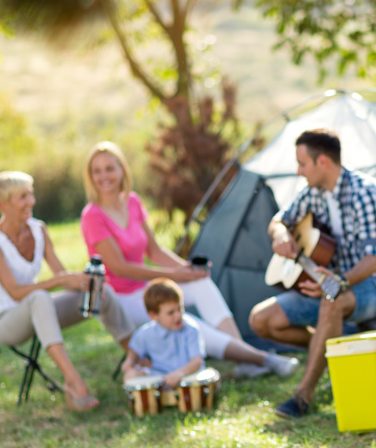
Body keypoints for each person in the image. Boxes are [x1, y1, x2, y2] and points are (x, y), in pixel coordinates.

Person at [80, 141, 297, 379]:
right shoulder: (92, 216)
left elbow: (154, 250)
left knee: (200, 283)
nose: (104, 176)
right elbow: (120, 268)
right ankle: (258, 358)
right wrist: (174, 276)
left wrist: (187, 269)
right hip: (121, 301)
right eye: (97, 171)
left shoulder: (132, 202)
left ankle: (243, 356)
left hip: (145, 290)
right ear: (90, 177)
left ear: (122, 170)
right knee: (186, 321)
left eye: (109, 168)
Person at [249, 128, 376, 419]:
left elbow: (373, 260)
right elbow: (280, 220)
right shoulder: (313, 193)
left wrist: (339, 282)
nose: (298, 172)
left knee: (332, 301)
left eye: (302, 164)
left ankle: (303, 394)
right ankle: (330, 346)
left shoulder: (366, 194)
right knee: (261, 320)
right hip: (331, 286)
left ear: (322, 162)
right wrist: (280, 234)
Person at [0, 171, 135, 411]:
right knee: (39, 297)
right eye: (22, 197)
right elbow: (15, 292)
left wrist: (84, 282)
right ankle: (73, 384)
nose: (31, 202)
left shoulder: (38, 229)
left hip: (38, 312)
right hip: (4, 321)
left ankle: (137, 358)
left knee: (101, 292)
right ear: (3, 204)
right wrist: (58, 281)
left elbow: (61, 277)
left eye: (30, 194)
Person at [121, 278, 206, 390]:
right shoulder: (144, 333)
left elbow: (197, 361)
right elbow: (133, 354)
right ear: (153, 315)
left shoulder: (191, 329)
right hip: (160, 377)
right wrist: (129, 362)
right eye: (171, 312)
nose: (178, 315)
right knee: (130, 375)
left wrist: (179, 373)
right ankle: (142, 402)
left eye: (180, 308)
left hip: (187, 376)